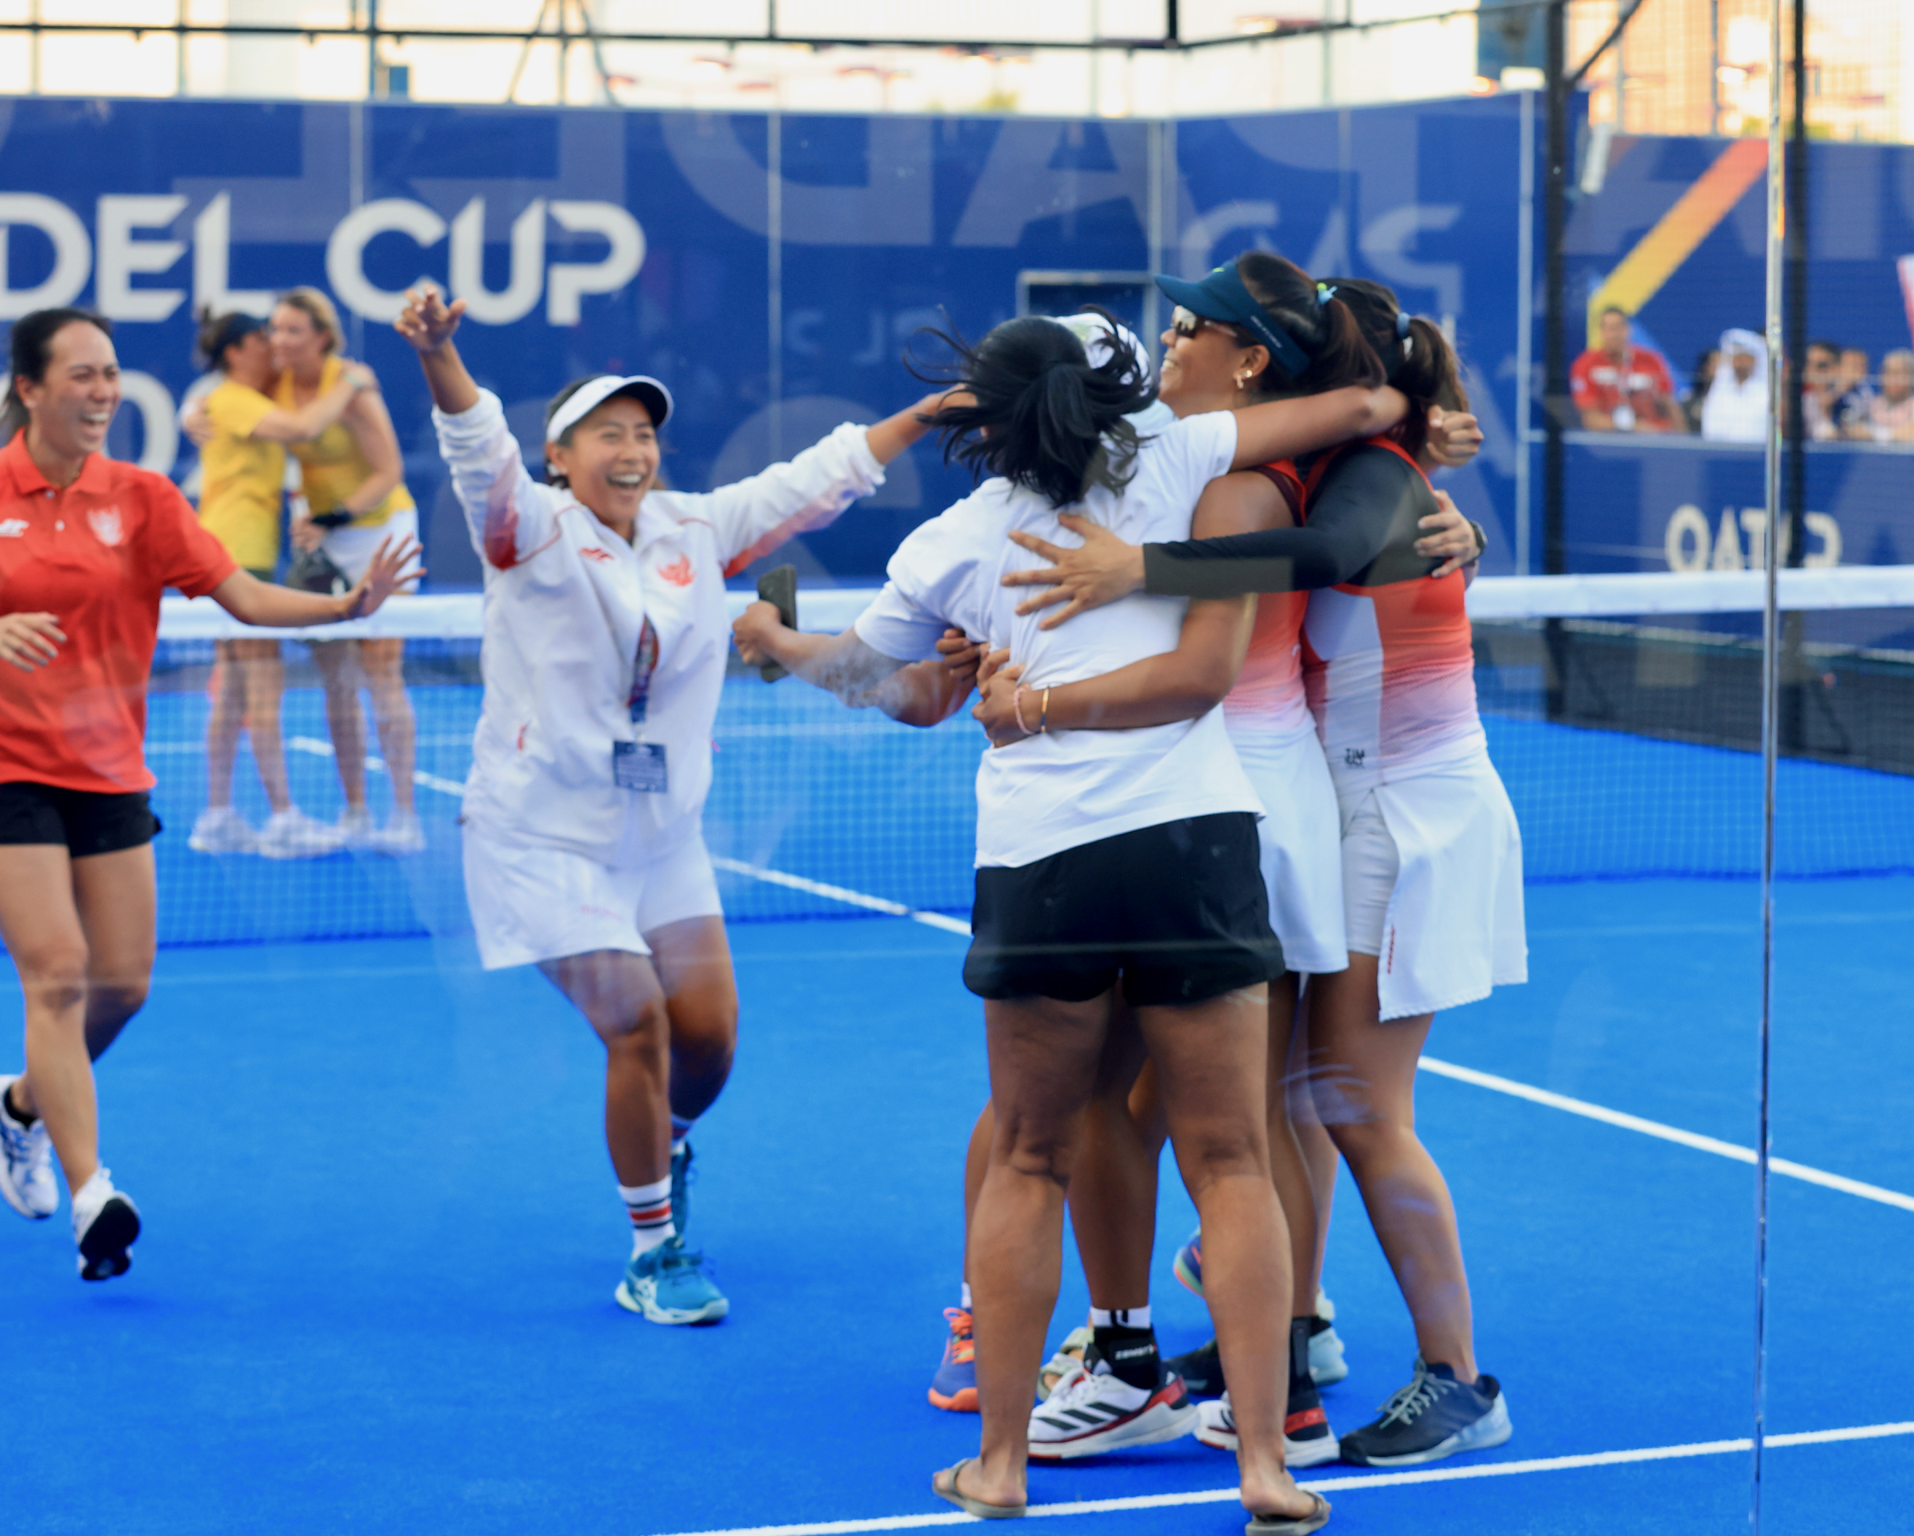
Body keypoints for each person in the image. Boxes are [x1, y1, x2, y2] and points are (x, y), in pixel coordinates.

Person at [732, 310, 1421, 1531]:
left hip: (1040, 860)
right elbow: (1364, 409)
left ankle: (1000, 1465)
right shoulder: (1175, 453)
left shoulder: (954, 540)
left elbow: (893, 691)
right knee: (1231, 1161)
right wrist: (1428, 450)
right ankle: (1265, 1468)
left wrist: (775, 639)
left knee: (1027, 1155)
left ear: (987, 421)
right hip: (1194, 848)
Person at [992, 278, 1526, 1470]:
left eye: (1198, 329)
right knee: (1287, 1098)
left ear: (1275, 365)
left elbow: (1327, 550)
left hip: (1401, 815)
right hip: (1334, 805)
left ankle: (1453, 1379)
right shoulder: (1314, 463)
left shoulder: (1360, 477)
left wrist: (1141, 571)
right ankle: (1290, 1331)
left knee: (1352, 1106)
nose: (1170, 339)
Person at [395, 283, 955, 1330]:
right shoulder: (523, 528)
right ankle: (653, 1249)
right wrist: (438, 356)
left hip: (660, 837)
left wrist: (922, 416)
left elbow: (814, 483)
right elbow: (477, 448)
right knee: (636, 1020)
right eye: (606, 434)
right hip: (538, 837)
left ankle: (663, 1144)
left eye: (644, 433)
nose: (631, 450)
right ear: (558, 456)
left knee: (709, 1039)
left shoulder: (694, 527)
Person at [0, 307, 415, 1280]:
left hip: (109, 770)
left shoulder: (142, 498)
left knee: (123, 987)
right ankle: (92, 1196)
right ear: (29, 388)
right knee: (56, 972)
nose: (103, 391)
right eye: (82, 375)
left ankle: (19, 1107)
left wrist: (346, 607)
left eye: (111, 374)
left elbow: (243, 594)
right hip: (9, 766)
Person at [185, 311, 383, 859]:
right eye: (260, 339)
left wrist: (188, 410)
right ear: (235, 352)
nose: (271, 346)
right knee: (262, 686)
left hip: (231, 550)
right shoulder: (233, 398)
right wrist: (351, 381)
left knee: (232, 689)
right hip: (236, 554)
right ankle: (282, 817)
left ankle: (217, 816)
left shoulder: (239, 397)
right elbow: (303, 429)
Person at [270, 287, 424, 855]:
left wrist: (330, 516)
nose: (280, 340)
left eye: (292, 330)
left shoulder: (354, 387)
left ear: (322, 337)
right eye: (275, 329)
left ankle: (404, 814)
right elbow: (222, 399)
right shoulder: (276, 383)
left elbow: (388, 471)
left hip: (379, 531)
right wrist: (192, 415)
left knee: (382, 671)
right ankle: (355, 809)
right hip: (325, 541)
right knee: (336, 680)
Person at [1569, 306, 1676, 432]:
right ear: (1601, 331)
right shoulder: (1585, 364)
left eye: (1617, 328)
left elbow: (1669, 405)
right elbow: (1590, 417)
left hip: (1653, 435)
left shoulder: (1651, 360)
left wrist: (1681, 439)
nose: (1613, 335)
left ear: (1628, 330)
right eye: (1608, 328)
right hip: (1608, 437)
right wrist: (1632, 428)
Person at [1699, 329, 1769, 442]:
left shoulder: (1765, 394)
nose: (1740, 362)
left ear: (1755, 360)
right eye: (1737, 357)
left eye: (1745, 358)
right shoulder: (1719, 392)